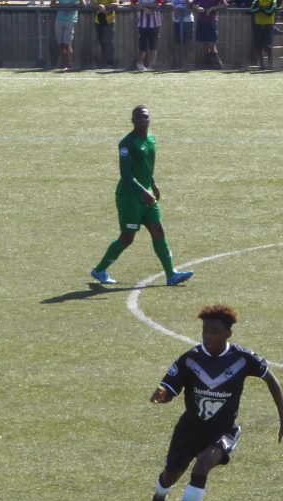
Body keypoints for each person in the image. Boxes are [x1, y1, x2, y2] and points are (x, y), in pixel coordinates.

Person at [140, 304, 283, 501]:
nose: (208, 336)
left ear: (228, 333)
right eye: (205, 331)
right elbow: (170, 389)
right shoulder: (190, 359)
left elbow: (272, 380)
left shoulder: (243, 358)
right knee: (170, 477)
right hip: (189, 431)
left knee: (202, 466)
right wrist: (162, 395)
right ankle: (158, 500)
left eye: (214, 332)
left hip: (222, 431)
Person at [91, 106, 194, 287]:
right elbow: (126, 174)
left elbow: (145, 167)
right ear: (133, 120)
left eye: (145, 117)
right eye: (139, 117)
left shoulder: (152, 139)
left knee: (158, 231)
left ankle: (171, 275)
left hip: (146, 195)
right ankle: (99, 270)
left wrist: (153, 183)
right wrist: (142, 191)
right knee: (127, 237)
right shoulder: (127, 144)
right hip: (130, 197)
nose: (143, 120)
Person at [192, 0, 226, 68]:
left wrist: (212, 8)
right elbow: (193, 4)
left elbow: (225, 5)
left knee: (212, 44)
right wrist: (198, 8)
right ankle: (207, 63)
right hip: (201, 20)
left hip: (212, 21)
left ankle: (218, 63)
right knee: (204, 44)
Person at [52, 0, 84, 69]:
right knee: (60, 43)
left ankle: (68, 64)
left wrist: (71, 6)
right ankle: (61, 63)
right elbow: (52, 4)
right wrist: (64, 6)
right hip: (59, 19)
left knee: (67, 44)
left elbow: (83, 5)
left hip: (70, 20)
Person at [134, 0, 163, 70]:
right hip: (142, 23)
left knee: (154, 45)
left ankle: (151, 66)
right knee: (142, 44)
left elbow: (157, 4)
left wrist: (142, 5)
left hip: (155, 23)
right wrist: (144, 8)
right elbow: (133, 4)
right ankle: (139, 63)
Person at [251, 0, 280, 68]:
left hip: (268, 25)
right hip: (258, 25)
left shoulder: (273, 1)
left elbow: (269, 12)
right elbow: (252, 10)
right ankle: (261, 65)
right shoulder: (256, 1)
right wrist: (261, 9)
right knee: (259, 46)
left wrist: (260, 9)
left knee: (268, 46)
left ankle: (270, 65)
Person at [171, 0, 196, 68]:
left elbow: (191, 4)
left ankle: (184, 62)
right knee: (177, 42)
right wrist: (173, 8)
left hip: (188, 21)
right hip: (176, 21)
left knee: (188, 42)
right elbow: (167, 3)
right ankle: (177, 62)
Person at [95, 1, 118, 66]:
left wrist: (105, 6)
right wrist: (99, 6)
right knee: (101, 42)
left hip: (109, 21)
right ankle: (105, 61)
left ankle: (110, 62)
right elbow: (91, 4)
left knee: (108, 41)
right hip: (98, 21)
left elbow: (116, 4)